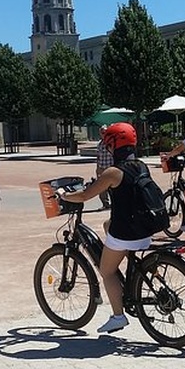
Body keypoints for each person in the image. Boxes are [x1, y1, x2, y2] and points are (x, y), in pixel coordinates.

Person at [60, 122, 152, 334]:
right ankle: (136, 269)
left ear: (112, 146)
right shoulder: (141, 165)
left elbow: (85, 195)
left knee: (106, 270)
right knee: (106, 224)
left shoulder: (113, 172)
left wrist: (64, 195)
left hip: (127, 231)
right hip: (145, 227)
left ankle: (118, 317)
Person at [95, 125, 114, 209]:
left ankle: (115, 204)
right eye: (102, 132)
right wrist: (97, 168)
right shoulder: (99, 144)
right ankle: (105, 204)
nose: (103, 134)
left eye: (105, 132)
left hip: (110, 167)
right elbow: (98, 156)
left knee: (112, 187)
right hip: (102, 167)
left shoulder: (111, 142)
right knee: (101, 188)